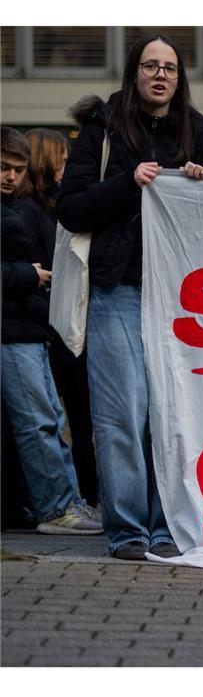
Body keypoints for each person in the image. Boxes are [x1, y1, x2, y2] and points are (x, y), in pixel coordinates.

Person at [56, 33, 203, 560]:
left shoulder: (200, 134)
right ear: (134, 74)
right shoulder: (101, 131)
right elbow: (73, 209)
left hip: (185, 301)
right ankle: (128, 529)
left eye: (170, 68)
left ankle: (167, 525)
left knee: (174, 414)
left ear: (181, 77)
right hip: (119, 291)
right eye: (150, 66)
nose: (160, 75)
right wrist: (129, 183)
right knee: (122, 415)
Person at [1, 126, 102, 536]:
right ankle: (57, 507)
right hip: (13, 329)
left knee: (47, 418)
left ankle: (62, 502)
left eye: (17, 169)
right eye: (3, 168)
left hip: (26, 327)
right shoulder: (20, 210)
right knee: (38, 420)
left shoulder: (17, 207)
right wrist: (28, 276)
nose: (10, 176)